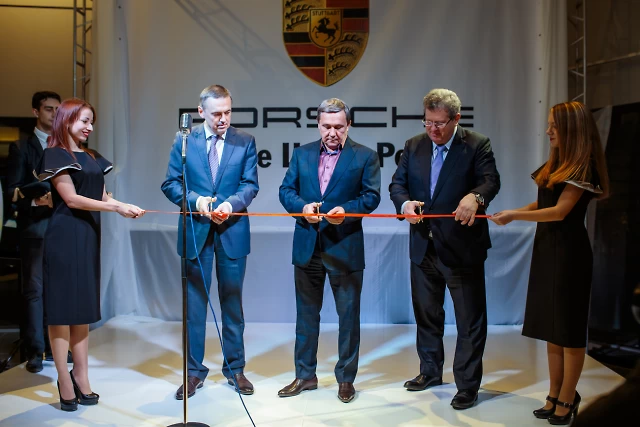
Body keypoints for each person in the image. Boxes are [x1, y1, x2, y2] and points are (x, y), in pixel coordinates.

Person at [490, 101, 609, 425]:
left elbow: (559, 212)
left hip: (570, 255)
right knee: (552, 329)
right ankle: (554, 394)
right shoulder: (558, 164)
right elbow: (544, 203)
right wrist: (514, 211)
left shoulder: (583, 168)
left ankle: (568, 397)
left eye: (554, 126)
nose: (548, 131)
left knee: (569, 331)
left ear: (571, 128)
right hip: (548, 251)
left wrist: (515, 216)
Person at [389, 88, 500, 410]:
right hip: (423, 246)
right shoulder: (414, 145)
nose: (433, 129)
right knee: (427, 315)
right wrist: (405, 204)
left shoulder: (476, 144)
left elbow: (491, 181)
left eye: (439, 123)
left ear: (456, 119)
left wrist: (476, 197)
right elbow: (397, 185)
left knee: (469, 321)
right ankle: (430, 371)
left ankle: (467, 385)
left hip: (461, 248)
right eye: (427, 122)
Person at [36, 98, 144, 411]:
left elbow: (103, 196)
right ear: (67, 120)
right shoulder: (55, 154)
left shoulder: (92, 156)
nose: (90, 127)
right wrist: (116, 208)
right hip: (64, 236)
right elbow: (71, 199)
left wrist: (125, 206)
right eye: (84, 120)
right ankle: (63, 378)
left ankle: (81, 375)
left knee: (82, 309)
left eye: (91, 121)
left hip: (87, 236)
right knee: (61, 312)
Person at [278, 98, 381, 403]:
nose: (332, 132)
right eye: (326, 126)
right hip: (308, 246)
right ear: (318, 125)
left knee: (348, 318)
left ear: (348, 125)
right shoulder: (302, 154)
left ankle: (346, 379)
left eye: (338, 126)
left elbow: (371, 196)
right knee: (306, 317)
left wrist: (345, 212)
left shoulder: (365, 156)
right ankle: (305, 375)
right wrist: (302, 208)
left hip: (344, 247)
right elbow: (286, 191)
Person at [161, 84, 259, 400]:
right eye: (217, 113)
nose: (223, 119)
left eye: (228, 112)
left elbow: (250, 185)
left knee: (232, 302)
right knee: (194, 306)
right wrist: (197, 201)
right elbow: (171, 184)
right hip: (196, 230)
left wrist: (230, 204)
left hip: (232, 230)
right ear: (201, 111)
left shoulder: (245, 141)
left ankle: (235, 369)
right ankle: (193, 372)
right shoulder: (184, 141)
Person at [6, 91, 63, 373]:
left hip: (62, 228)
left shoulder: (65, 146)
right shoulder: (21, 147)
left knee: (57, 289)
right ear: (36, 112)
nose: (54, 114)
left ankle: (55, 347)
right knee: (34, 291)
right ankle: (34, 350)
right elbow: (11, 192)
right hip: (35, 228)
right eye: (48, 109)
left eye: (57, 109)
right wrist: (34, 200)